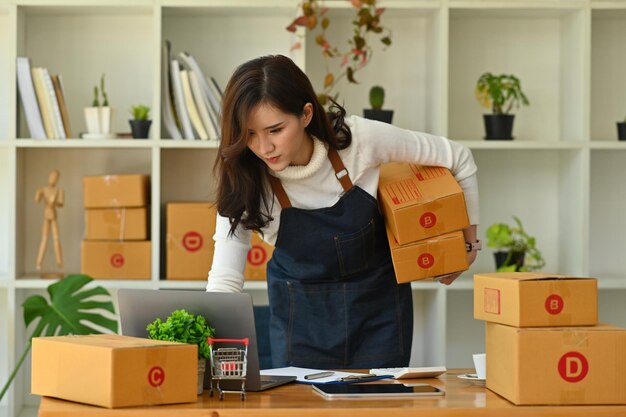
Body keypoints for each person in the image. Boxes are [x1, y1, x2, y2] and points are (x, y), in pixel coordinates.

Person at [207, 55, 479, 369]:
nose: (264, 147)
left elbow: (459, 157)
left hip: (380, 321)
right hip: (300, 330)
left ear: (306, 114)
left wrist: (468, 243)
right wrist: (207, 339)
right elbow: (225, 279)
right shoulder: (244, 180)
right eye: (249, 134)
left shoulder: (360, 141)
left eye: (275, 130)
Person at [35, 169, 64, 271]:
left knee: (56, 238)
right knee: (44, 239)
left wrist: (54, 203)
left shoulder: (59, 191)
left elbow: (61, 203)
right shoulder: (44, 189)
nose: (52, 179)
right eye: (51, 176)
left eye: (55, 177)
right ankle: (39, 262)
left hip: (53, 215)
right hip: (46, 215)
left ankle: (59, 262)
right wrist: (38, 194)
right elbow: (37, 199)